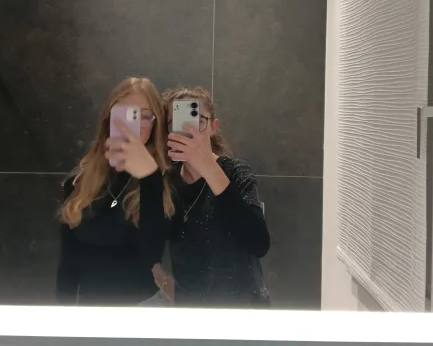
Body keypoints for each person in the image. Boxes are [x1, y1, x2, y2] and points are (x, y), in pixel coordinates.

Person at [55, 77, 173, 306]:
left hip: (143, 311)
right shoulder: (81, 181)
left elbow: (151, 256)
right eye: (127, 115)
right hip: (90, 312)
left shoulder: (166, 182)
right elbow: (68, 260)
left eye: (144, 116)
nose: (135, 124)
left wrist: (150, 178)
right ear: (109, 119)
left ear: (155, 124)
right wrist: (64, 315)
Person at [154, 86, 271, 308]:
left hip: (242, 308)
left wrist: (208, 167)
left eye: (198, 121)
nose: (190, 130)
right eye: (178, 122)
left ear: (213, 127)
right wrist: (161, 279)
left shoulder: (235, 172)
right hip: (190, 309)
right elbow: (146, 241)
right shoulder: (167, 182)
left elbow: (259, 244)